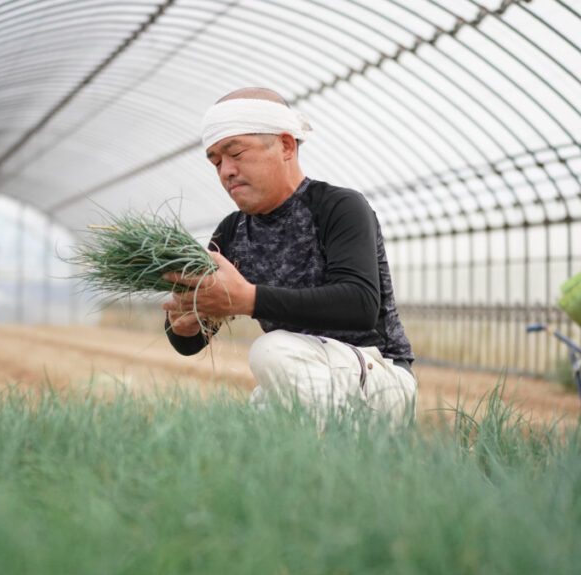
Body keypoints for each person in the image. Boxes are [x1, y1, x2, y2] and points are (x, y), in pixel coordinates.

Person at [161, 87, 417, 421]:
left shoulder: (339, 207)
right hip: (303, 374)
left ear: (285, 145)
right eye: (216, 161)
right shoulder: (232, 231)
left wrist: (249, 299)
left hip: (380, 376)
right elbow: (194, 342)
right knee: (248, 431)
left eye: (235, 153)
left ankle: (347, 453)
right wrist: (183, 325)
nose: (225, 171)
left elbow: (361, 304)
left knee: (272, 350)